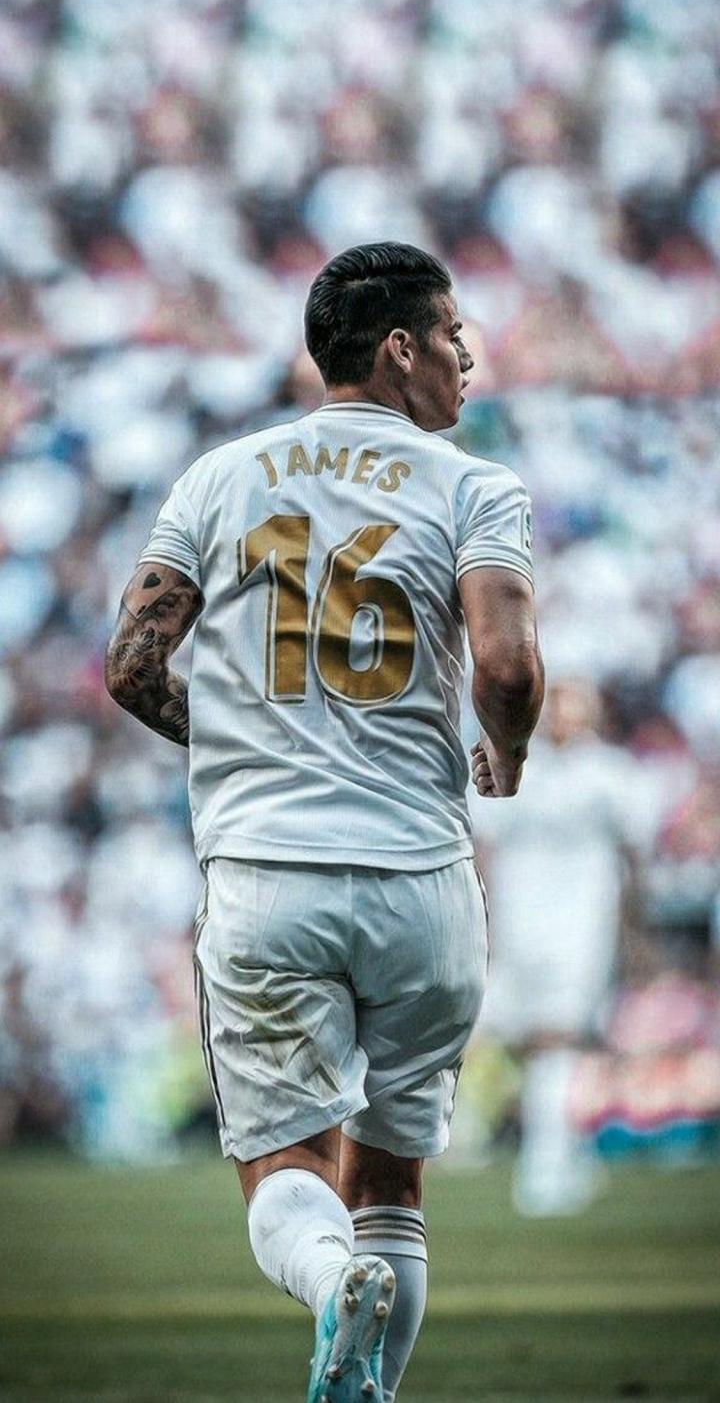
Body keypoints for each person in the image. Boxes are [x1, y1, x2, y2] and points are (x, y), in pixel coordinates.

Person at [105, 242, 544, 1403]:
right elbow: (505, 666)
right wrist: (508, 752)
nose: (466, 356)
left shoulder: (220, 477)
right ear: (399, 347)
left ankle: (327, 1273)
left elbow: (133, 662)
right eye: (451, 333)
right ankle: (366, 1368)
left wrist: (251, 742)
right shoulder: (474, 485)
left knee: (284, 1166)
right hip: (422, 877)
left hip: (267, 874)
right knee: (390, 1183)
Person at [471, 678, 649, 1216]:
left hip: (583, 925)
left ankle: (557, 1155)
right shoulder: (512, 768)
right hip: (521, 925)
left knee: (567, 1038)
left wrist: (633, 931)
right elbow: (485, 851)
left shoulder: (611, 774)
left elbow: (634, 859)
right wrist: (484, 924)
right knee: (541, 1041)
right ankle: (551, 1159)